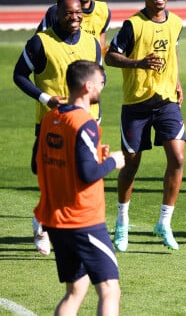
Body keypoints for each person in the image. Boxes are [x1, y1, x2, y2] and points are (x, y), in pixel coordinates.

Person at [33, 60, 125, 315]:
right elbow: (87, 173)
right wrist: (111, 161)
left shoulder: (52, 116)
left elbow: (37, 164)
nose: (102, 87)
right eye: (100, 83)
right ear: (87, 86)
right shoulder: (84, 123)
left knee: (76, 289)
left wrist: (93, 155)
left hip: (55, 219)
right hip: (82, 219)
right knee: (109, 289)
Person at [13, 0, 102, 256]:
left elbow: (98, 78)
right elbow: (19, 75)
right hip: (51, 122)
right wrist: (45, 98)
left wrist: (97, 113)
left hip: (85, 123)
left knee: (81, 177)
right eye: (68, 13)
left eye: (78, 13)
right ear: (58, 14)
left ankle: (72, 228)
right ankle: (41, 224)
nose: (74, 17)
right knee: (46, 172)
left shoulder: (93, 43)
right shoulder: (40, 42)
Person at [105, 0, 185, 251]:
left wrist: (177, 82)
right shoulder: (133, 25)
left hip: (166, 102)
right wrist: (139, 62)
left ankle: (164, 222)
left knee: (177, 157)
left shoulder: (176, 22)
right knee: (131, 165)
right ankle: (122, 223)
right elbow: (110, 56)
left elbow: (172, 54)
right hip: (136, 104)